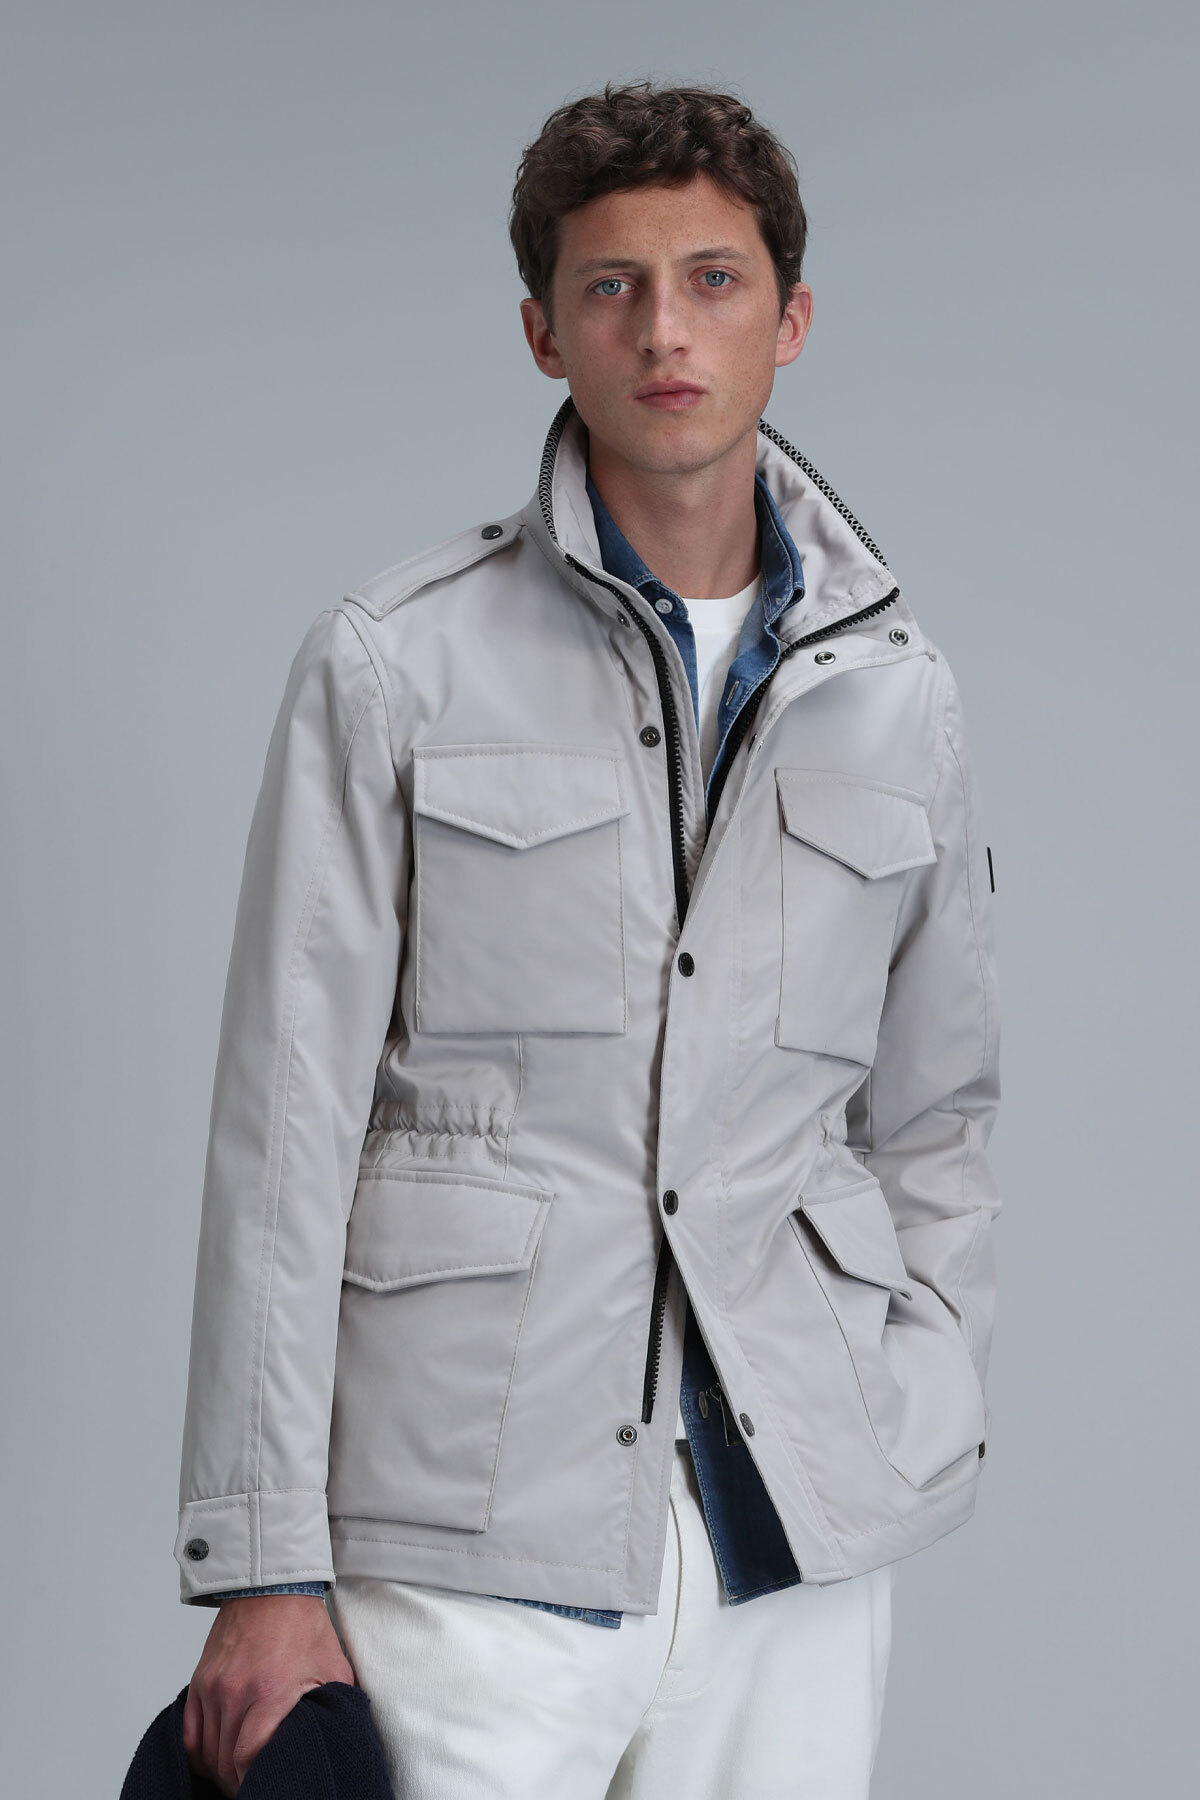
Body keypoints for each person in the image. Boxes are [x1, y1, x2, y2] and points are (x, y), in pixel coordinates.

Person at [176, 79, 1001, 1798]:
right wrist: (263, 1562)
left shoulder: (899, 696)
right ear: (544, 333)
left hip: (790, 1537)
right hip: (473, 1532)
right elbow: (286, 1129)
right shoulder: (395, 663)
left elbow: (936, 1116)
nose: (665, 330)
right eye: (611, 286)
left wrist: (917, 1397)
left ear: (791, 319)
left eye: (713, 280)